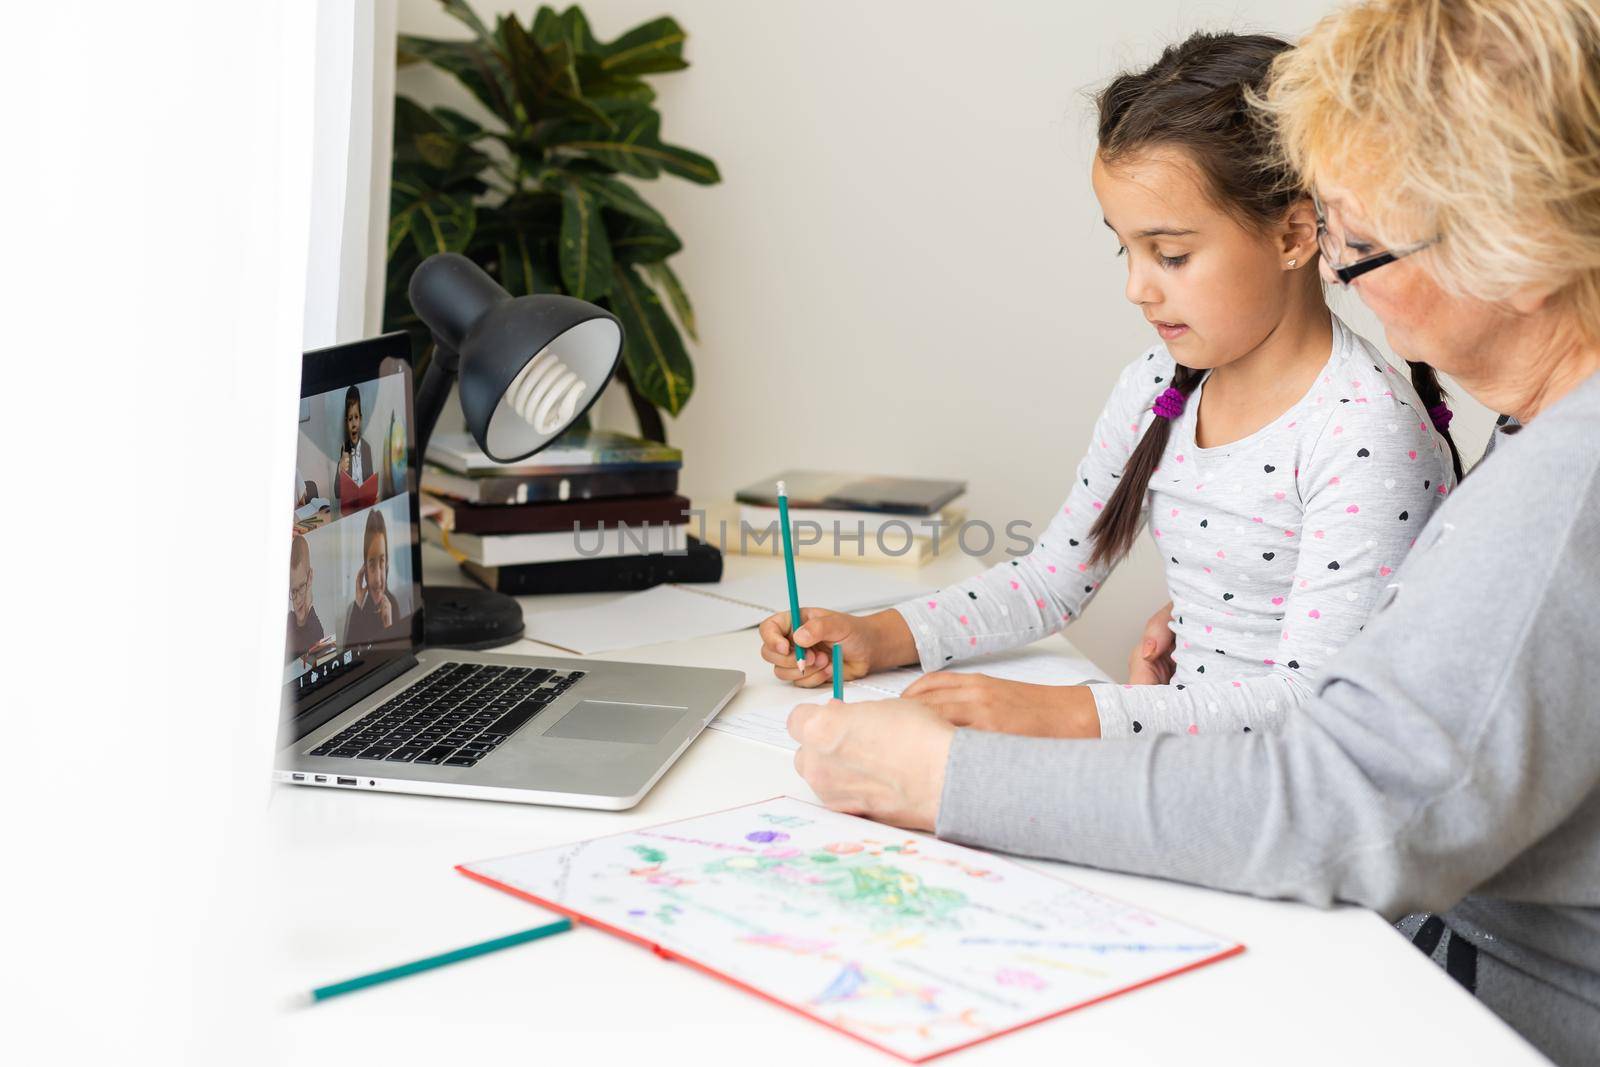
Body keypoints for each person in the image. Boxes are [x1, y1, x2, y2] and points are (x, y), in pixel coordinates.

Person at [786, 2, 1600, 1061]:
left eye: (1362, 243)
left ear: (1522, 245)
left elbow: (1346, 805)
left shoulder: (1556, 478)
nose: (1348, 278)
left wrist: (956, 774)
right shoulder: (1536, 441)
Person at [760, 32, 1461, 740]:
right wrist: (877, 636)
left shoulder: (1365, 432)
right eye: (1123, 248)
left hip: (1277, 793)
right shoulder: (1161, 384)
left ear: (1294, 235)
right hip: (1185, 768)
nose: (1135, 287)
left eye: (1172, 254)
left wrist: (1063, 712)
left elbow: (1312, 706)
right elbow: (1049, 581)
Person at [343, 508, 402, 647]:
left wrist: (388, 626)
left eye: (381, 561)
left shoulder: (393, 604)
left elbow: (399, 654)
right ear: (364, 570)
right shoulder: (357, 609)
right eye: (371, 564)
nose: (377, 579)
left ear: (387, 563)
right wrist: (358, 605)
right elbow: (347, 655)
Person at [334, 385, 375, 515]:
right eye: (350, 419)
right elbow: (337, 493)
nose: (354, 424)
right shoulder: (344, 449)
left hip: (365, 509)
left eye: (356, 417)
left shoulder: (366, 448)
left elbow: (371, 487)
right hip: (350, 512)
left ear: (361, 419)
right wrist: (340, 469)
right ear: (346, 422)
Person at [286, 533, 325, 665]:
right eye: (293, 591)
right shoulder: (288, 621)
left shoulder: (316, 629)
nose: (297, 600)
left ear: (310, 578)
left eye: (302, 587)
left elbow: (308, 644)